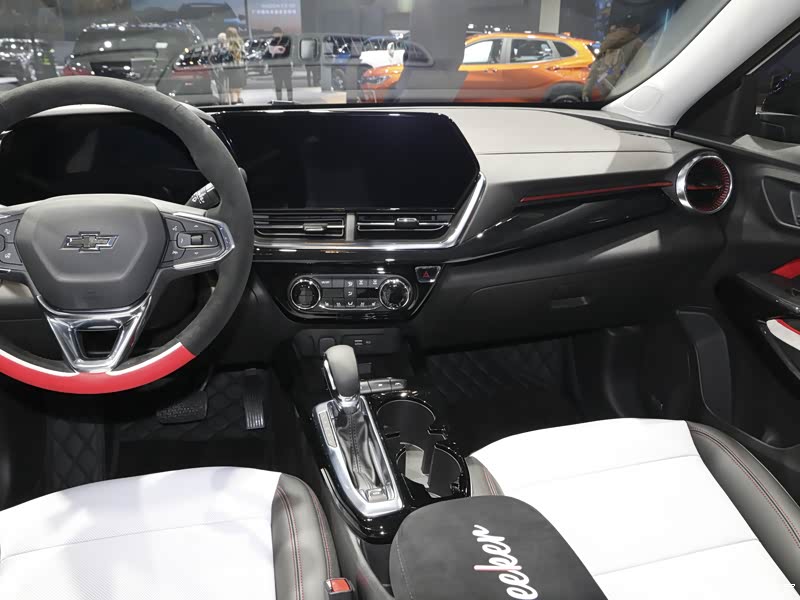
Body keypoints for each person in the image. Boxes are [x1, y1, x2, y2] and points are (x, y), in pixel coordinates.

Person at [582, 14, 643, 101]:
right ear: (636, 27)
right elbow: (641, 70)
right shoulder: (637, 43)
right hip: (625, 90)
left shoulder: (608, 40)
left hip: (605, 86)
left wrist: (586, 92)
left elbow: (595, 67)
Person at [268, 27, 293, 102]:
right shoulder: (272, 42)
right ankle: (279, 100)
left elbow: (287, 52)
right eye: (274, 34)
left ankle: (290, 99)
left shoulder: (287, 40)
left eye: (277, 34)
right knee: (278, 85)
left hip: (286, 66)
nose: (276, 36)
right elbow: (270, 55)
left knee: (288, 84)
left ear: (281, 33)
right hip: (275, 67)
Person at [226, 27, 246, 104]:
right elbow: (244, 53)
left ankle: (233, 100)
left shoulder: (226, 42)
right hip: (239, 66)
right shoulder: (240, 41)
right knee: (238, 85)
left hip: (229, 67)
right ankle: (236, 99)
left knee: (232, 86)